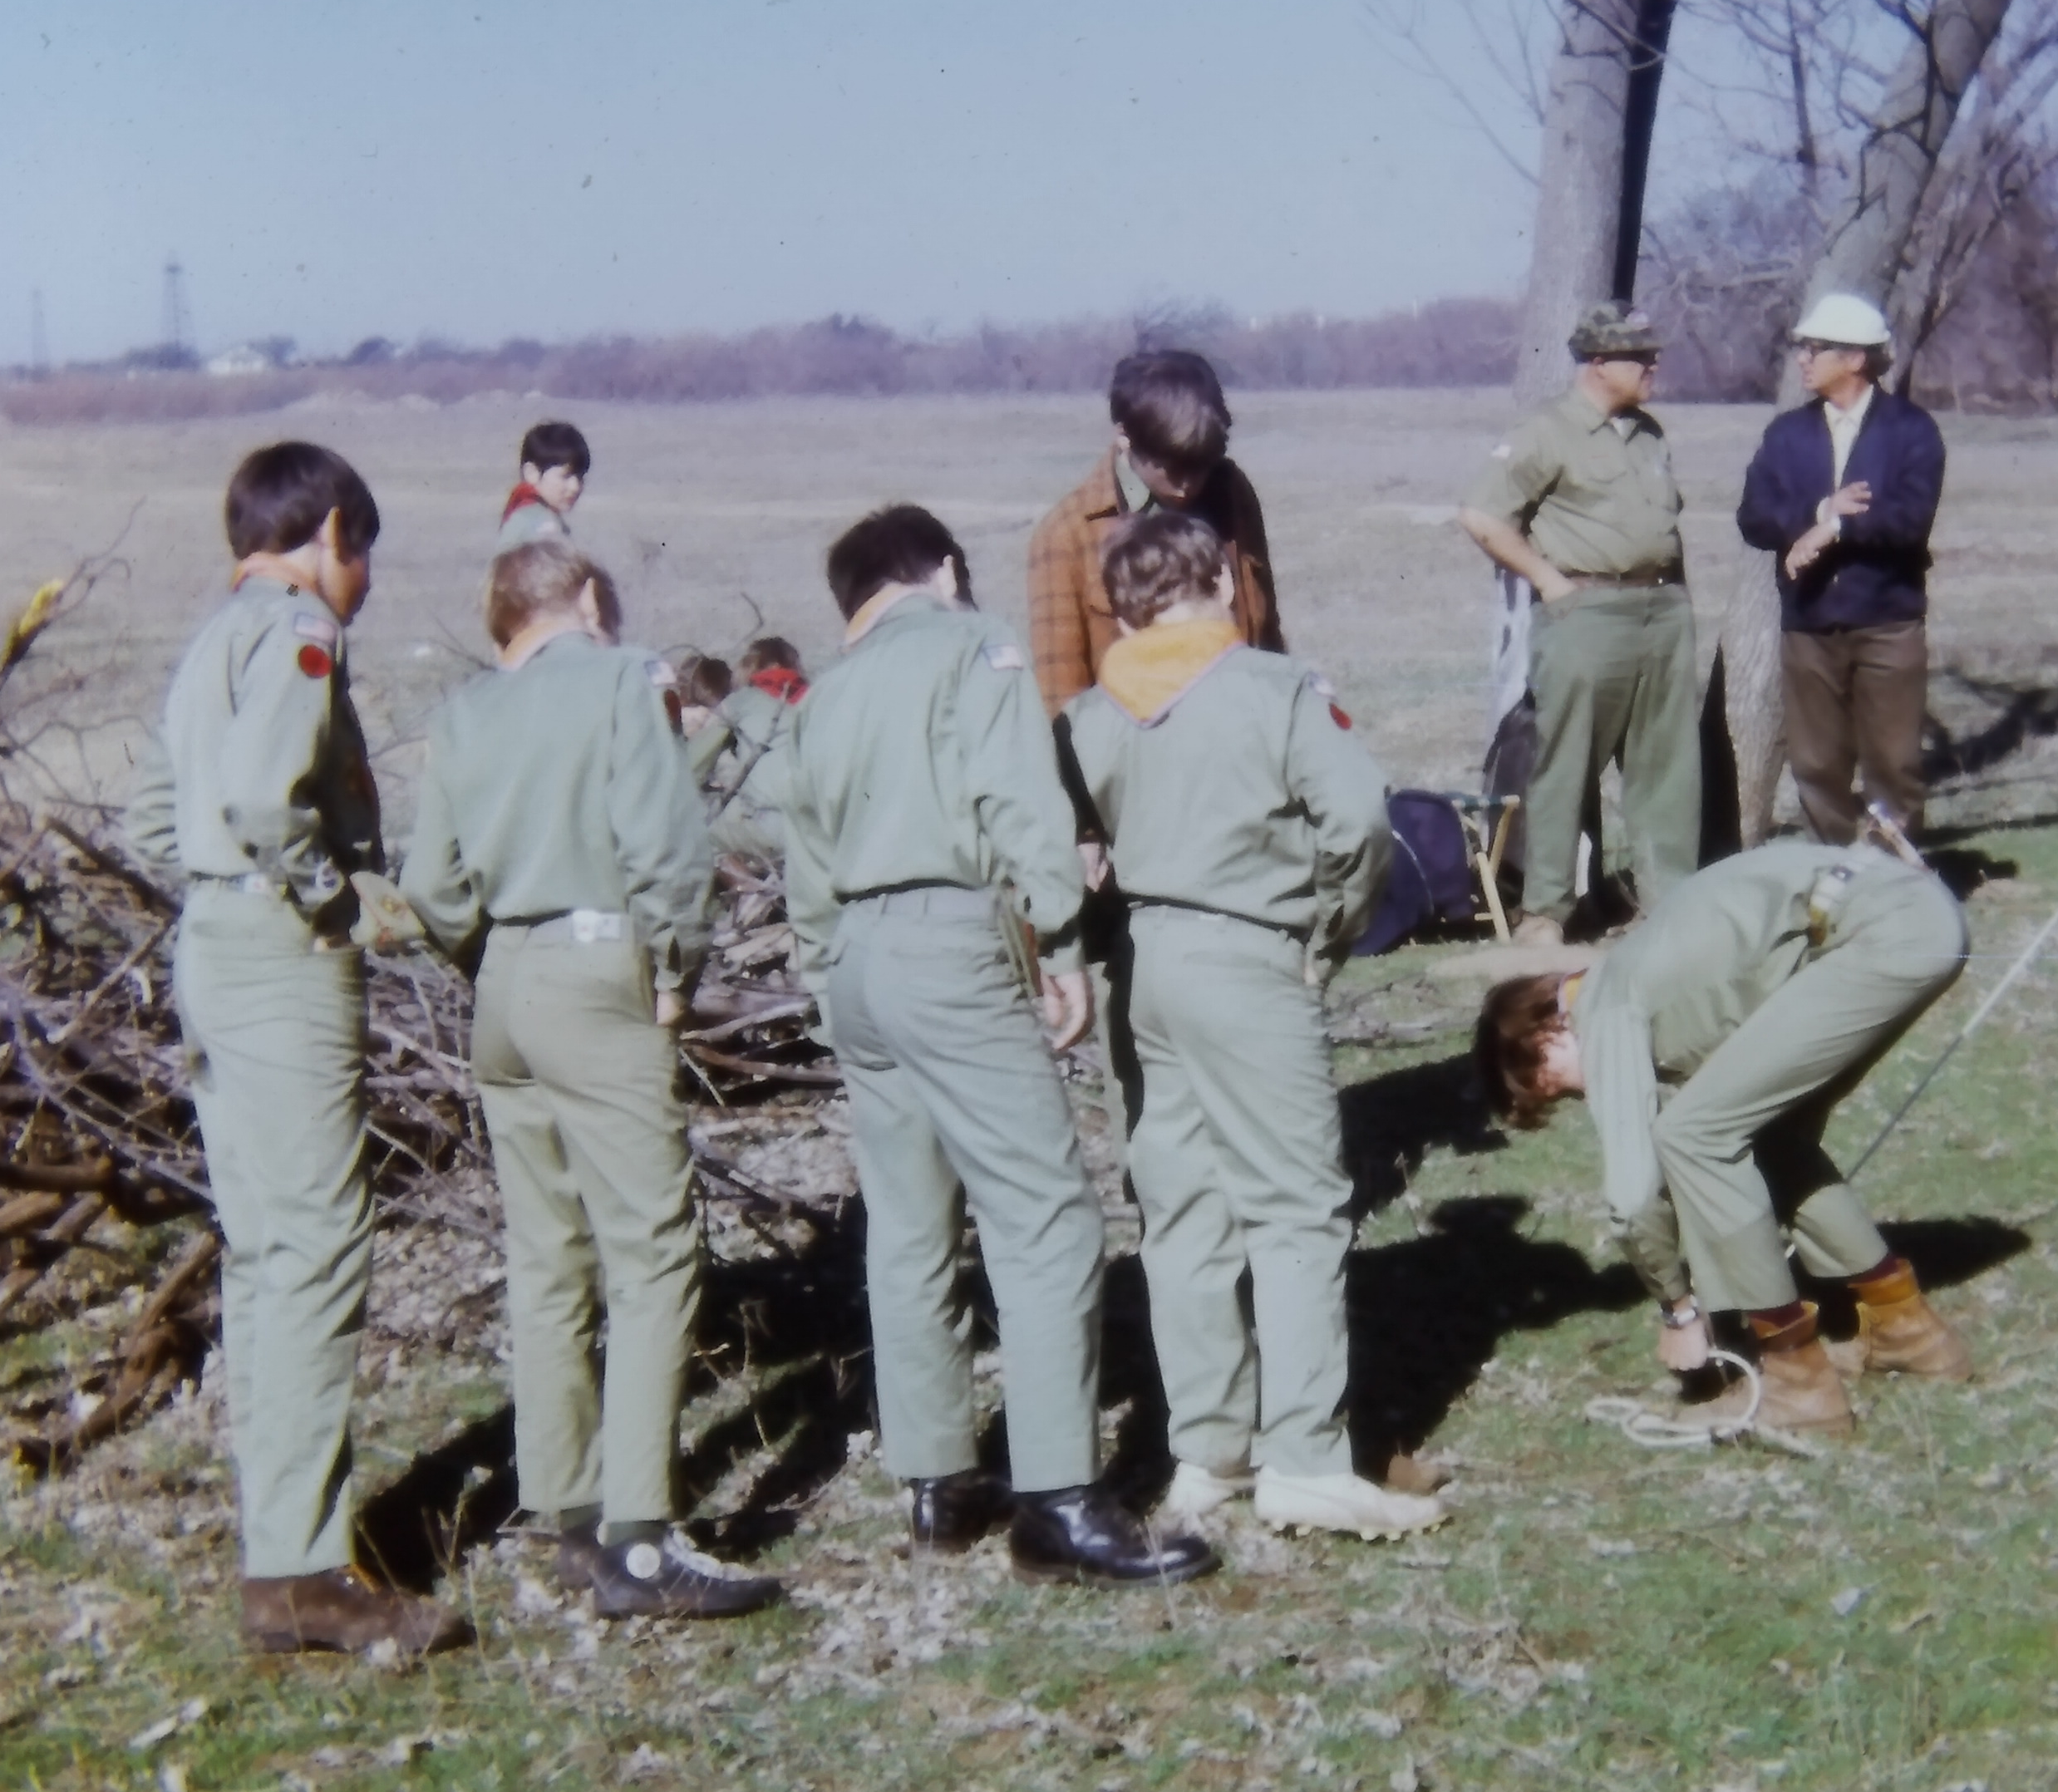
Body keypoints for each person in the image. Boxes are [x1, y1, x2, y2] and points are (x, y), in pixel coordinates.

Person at [780, 505, 1218, 1585]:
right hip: (947, 945)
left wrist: (824, 971)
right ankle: (1059, 1496)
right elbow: (1017, 797)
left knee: (909, 1225)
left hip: (854, 961)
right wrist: (1059, 938)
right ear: (942, 569)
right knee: (1049, 1220)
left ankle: (937, 1479)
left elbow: (803, 852)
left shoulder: (823, 693)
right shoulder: (972, 648)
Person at [123, 441, 470, 1658]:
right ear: (331, 531)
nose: (363, 581)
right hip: (278, 957)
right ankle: (308, 1571)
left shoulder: (210, 643)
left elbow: (153, 814)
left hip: (212, 948)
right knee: (318, 1246)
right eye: (361, 553)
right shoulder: (296, 639)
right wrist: (335, 902)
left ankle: (284, 1552)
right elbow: (274, 806)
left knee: (269, 1251)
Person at [396, 539, 781, 1622]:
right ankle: (642, 1539)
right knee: (654, 1250)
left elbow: (430, 881)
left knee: (546, 1255)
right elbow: (668, 845)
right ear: (592, 601)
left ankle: (564, 1508)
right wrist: (672, 969)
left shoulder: (465, 713)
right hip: (596, 959)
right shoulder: (626, 678)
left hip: (503, 987)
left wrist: (491, 959)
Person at [1061, 510, 1443, 1542]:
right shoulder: (1276, 691)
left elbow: (1061, 844)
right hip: (1250, 957)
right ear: (1224, 585)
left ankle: (1208, 1450)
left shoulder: (1091, 715)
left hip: (1144, 964)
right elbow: (1362, 824)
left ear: (1123, 607)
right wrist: (1330, 934)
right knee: (1296, 1209)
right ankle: (1308, 1459)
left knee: (1181, 1211)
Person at [1473, 838, 1975, 1442]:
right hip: (1917, 912)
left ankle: (1795, 1383)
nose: (1579, 1099)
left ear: (1543, 1031)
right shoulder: (1643, 970)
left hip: (1882, 932)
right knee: (1769, 1137)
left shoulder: (1603, 1003)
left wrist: (1678, 1311)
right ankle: (1906, 1329)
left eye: (1553, 1090)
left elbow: (1633, 1198)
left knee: (1693, 1136)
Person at [1455, 303, 1700, 943]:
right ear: (1597, 363)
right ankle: (1547, 911)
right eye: (1638, 356)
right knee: (1564, 765)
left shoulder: (1648, 432)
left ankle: (1669, 901)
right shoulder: (1546, 432)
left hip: (1662, 612)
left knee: (1666, 767)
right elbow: (1482, 516)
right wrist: (1549, 582)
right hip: (1587, 614)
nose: (1652, 365)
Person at [1734, 293, 1949, 844]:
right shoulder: (1786, 433)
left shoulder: (1911, 430)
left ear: (1856, 359)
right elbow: (1753, 515)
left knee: (1894, 760)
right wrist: (1818, 513)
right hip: (1809, 623)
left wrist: (1833, 531)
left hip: (1887, 622)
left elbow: (1908, 521)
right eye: (1803, 347)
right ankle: (1833, 869)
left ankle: (1892, 874)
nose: (1803, 358)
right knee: (1816, 762)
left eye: (1816, 348)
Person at [1025, 350, 1283, 717]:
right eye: (1171, 466)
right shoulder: (1065, 537)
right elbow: (1061, 701)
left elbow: (1267, 635)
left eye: (1200, 464)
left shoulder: (1233, 493)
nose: (1188, 484)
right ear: (1124, 436)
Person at [667, 635, 808, 867]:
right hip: (823, 829)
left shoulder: (742, 701)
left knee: (694, 834)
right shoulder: (818, 700)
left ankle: (747, 892)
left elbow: (690, 767)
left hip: (774, 828)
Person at [496, 419, 591, 554]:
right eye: (565, 476)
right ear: (532, 473)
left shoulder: (520, 512)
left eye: (580, 477)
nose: (575, 487)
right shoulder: (543, 524)